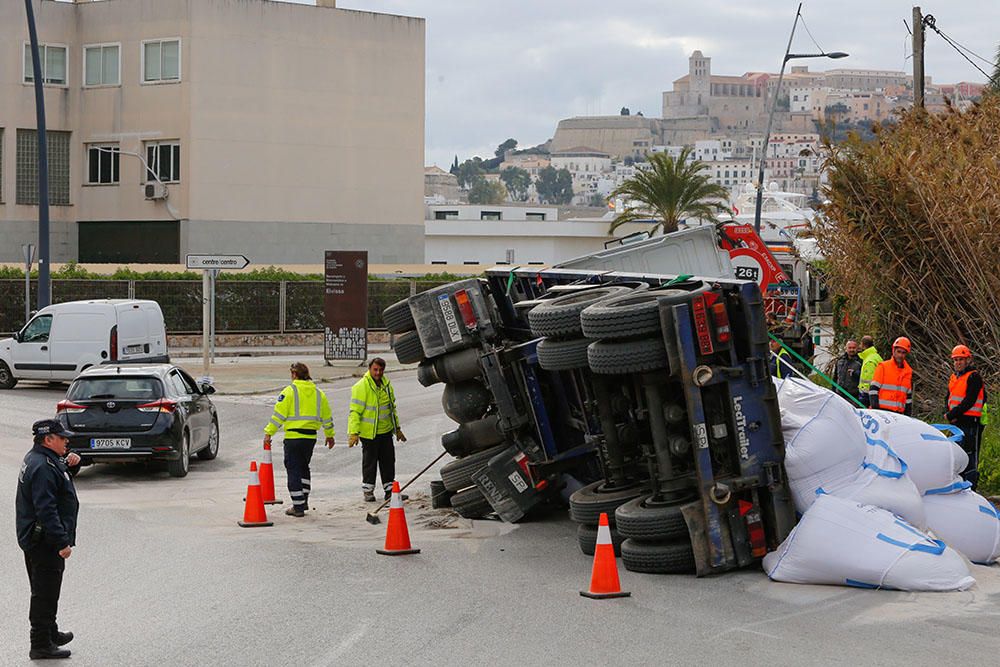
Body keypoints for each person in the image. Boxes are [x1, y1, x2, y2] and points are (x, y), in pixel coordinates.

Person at [16, 420, 81, 660]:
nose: (66, 441)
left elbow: (57, 480)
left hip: (36, 538)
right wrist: (61, 542)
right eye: (62, 438)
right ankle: (40, 644)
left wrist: (71, 464)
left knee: (46, 590)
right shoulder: (43, 466)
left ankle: (50, 632)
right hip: (44, 541)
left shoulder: (42, 458)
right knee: (44, 593)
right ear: (48, 439)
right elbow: (46, 509)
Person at [263, 362, 335, 517]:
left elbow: (278, 416)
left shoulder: (289, 392)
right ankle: (304, 500)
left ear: (294, 374)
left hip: (293, 437)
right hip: (310, 438)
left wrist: (269, 433)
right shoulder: (318, 393)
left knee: (293, 469)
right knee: (304, 468)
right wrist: (329, 435)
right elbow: (327, 416)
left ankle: (298, 506)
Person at [348, 357, 406, 501]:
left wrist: (397, 429)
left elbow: (392, 410)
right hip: (369, 434)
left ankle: (389, 491)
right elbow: (355, 412)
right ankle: (368, 491)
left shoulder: (387, 385)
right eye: (375, 369)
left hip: (385, 432)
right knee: (370, 463)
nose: (378, 373)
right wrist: (353, 433)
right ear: (369, 369)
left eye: (380, 370)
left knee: (388, 462)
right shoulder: (361, 386)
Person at [945, 345, 987, 490]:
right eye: (956, 360)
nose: (958, 363)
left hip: (970, 423)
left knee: (970, 457)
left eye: (961, 360)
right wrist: (950, 415)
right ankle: (957, 485)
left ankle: (971, 488)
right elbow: (949, 397)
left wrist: (952, 414)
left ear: (967, 360)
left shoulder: (974, 377)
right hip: (955, 422)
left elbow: (970, 400)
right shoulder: (954, 377)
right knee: (955, 455)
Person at [869, 337, 913, 415]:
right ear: (893, 351)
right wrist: (876, 411)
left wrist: (907, 416)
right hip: (882, 412)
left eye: (903, 353)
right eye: (898, 352)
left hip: (899, 414)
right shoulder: (883, 367)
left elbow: (908, 397)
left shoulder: (908, 371)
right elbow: (873, 390)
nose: (900, 355)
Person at [857, 335, 883, 407]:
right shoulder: (876, 356)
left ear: (863, 344)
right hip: (874, 394)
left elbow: (868, 381)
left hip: (867, 396)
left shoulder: (869, 360)